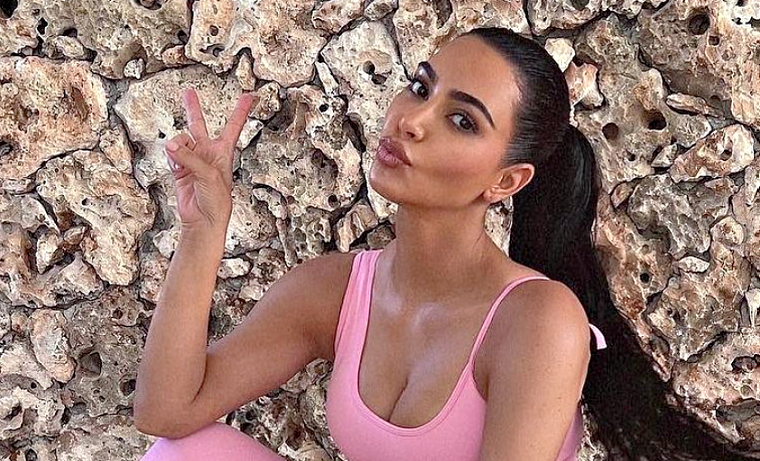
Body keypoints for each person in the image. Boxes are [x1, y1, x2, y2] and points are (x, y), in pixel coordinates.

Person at [134, 26, 736, 461]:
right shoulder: (334, 290)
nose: (412, 121)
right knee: (184, 453)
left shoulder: (538, 320)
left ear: (506, 182)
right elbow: (167, 412)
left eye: (463, 120)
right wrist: (202, 232)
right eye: (421, 88)